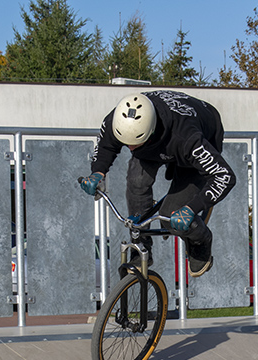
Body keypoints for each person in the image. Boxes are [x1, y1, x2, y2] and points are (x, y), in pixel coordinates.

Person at [80, 91, 236, 277]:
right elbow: (106, 146)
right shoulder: (117, 119)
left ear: (151, 130)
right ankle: (141, 245)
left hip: (200, 134)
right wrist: (98, 171)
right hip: (156, 144)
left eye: (135, 143)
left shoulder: (187, 138)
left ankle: (201, 239)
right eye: (126, 143)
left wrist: (192, 207)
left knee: (171, 217)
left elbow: (224, 176)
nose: (130, 148)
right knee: (136, 181)